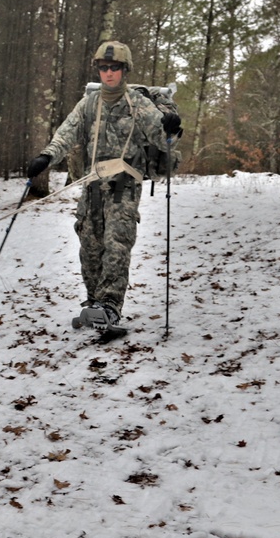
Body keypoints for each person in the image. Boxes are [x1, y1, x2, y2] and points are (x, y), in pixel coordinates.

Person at [27, 40, 182, 330]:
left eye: (115, 68)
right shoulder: (89, 104)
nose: (109, 73)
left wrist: (170, 127)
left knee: (116, 243)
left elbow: (163, 140)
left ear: (125, 70)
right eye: (103, 67)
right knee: (89, 243)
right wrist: (46, 157)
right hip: (92, 185)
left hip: (124, 184)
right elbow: (66, 134)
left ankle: (110, 305)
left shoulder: (138, 104)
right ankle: (94, 301)